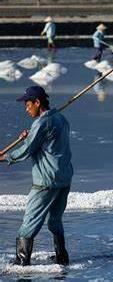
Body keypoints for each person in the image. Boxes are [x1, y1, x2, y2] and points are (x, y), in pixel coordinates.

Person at [0, 86, 73, 266]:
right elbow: (47, 144)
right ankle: (62, 258)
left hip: (45, 182)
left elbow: (27, 150)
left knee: (29, 223)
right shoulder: (61, 119)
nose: (26, 108)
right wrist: (30, 136)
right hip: (64, 178)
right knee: (55, 220)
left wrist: (3, 157)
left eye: (28, 104)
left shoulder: (41, 123)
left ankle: (22, 264)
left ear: (37, 102)